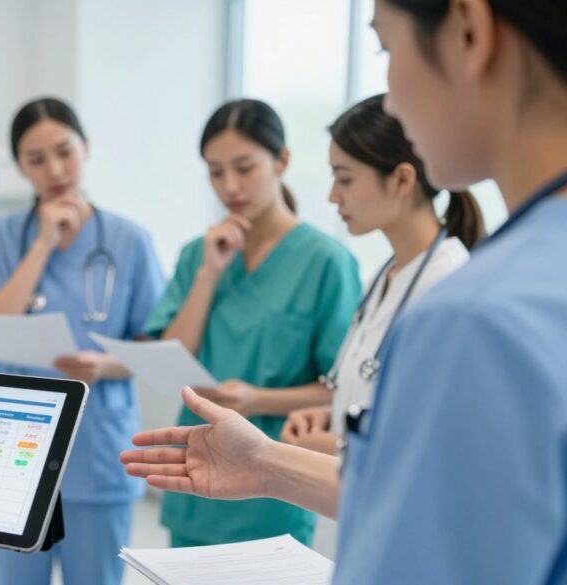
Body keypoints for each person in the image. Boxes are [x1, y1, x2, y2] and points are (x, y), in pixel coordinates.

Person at [121, 0, 567, 582]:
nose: (393, 101)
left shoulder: (476, 315)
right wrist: (265, 461)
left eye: (385, 48)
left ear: (468, 30)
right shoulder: (526, 280)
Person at [0, 97, 166, 585]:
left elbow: (154, 346)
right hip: (12, 453)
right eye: (36, 159)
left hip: (97, 448)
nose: (54, 169)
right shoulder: (0, 238)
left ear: (86, 149)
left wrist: (105, 364)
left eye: (65, 152)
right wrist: (42, 244)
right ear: (20, 167)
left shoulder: (130, 241)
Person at [142, 99, 361, 548]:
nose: (230, 186)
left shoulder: (326, 263)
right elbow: (172, 360)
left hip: (273, 487)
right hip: (195, 476)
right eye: (216, 172)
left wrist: (257, 397)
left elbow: (338, 390)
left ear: (282, 160)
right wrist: (208, 274)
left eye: (244, 168)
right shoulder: (196, 256)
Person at [281, 93, 482, 456]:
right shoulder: (386, 276)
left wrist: (339, 444)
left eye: (345, 179)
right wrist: (332, 413)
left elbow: (440, 443)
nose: (332, 196)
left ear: (402, 180)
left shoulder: (450, 288)